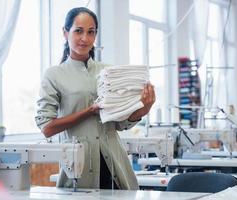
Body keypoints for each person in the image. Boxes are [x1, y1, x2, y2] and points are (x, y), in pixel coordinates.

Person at [35, 7, 155, 190]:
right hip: (79, 166)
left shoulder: (108, 72)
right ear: (65, 33)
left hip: (115, 163)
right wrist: (88, 111)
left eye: (91, 32)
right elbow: (47, 128)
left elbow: (119, 123)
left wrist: (142, 110)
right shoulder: (54, 75)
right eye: (78, 31)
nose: (85, 38)